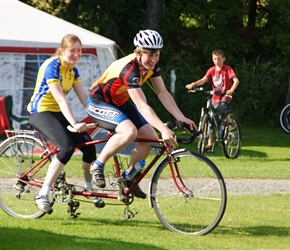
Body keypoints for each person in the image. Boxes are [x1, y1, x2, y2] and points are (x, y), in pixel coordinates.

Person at [86, 29, 196, 198]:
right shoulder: (129, 70)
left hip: (119, 103)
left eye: (157, 54)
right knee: (130, 131)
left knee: (150, 138)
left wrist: (180, 117)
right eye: (149, 54)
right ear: (138, 52)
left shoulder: (151, 66)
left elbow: (163, 93)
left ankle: (129, 177)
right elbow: (142, 105)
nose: (153, 59)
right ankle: (98, 164)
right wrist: (163, 129)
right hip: (98, 102)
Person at [27, 34, 105, 213]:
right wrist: (75, 123)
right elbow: (61, 99)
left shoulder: (73, 70)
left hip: (58, 113)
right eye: (72, 50)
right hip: (41, 111)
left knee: (89, 147)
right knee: (67, 148)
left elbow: (85, 98)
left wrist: (103, 116)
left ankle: (89, 189)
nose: (76, 54)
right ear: (62, 50)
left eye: (79, 50)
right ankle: (42, 193)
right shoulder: (52, 66)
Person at [185, 49, 239, 152]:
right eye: (214, 59)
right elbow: (203, 80)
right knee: (210, 118)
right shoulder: (211, 70)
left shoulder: (227, 69)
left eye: (219, 59)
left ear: (224, 59)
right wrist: (193, 84)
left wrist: (231, 90)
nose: (217, 61)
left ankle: (231, 124)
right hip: (214, 97)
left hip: (224, 96)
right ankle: (210, 144)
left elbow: (236, 80)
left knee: (221, 108)